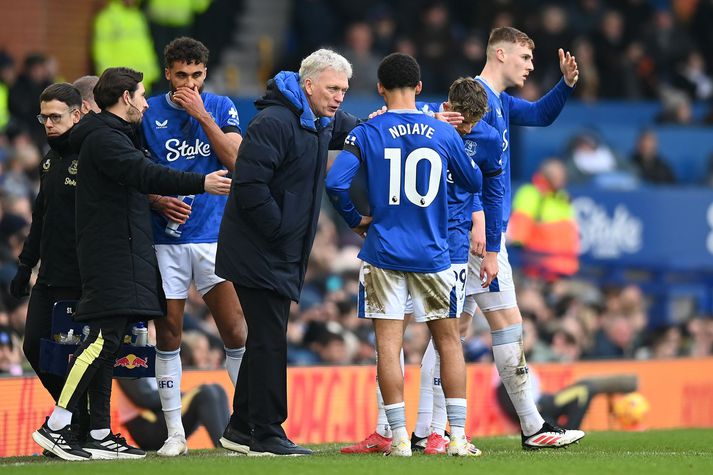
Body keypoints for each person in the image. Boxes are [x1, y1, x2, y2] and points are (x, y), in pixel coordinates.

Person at [31, 66, 232, 461]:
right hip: (110, 256)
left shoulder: (110, 136)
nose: (144, 102)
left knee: (109, 344)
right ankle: (56, 425)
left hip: (121, 252)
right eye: (140, 95)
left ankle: (100, 432)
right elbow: (145, 173)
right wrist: (201, 182)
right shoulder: (105, 139)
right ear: (125, 98)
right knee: (103, 340)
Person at [326, 52, 483, 457]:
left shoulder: (367, 131)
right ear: (418, 87)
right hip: (433, 253)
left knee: (388, 346)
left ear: (379, 87)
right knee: (449, 342)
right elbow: (472, 178)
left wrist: (356, 220)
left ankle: (397, 439)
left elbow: (336, 182)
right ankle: (458, 438)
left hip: (382, 252)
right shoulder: (442, 132)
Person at [215, 48, 359, 456]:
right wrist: (280, 231)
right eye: (332, 88)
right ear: (308, 85)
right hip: (259, 250)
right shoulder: (273, 122)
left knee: (266, 336)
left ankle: (241, 427)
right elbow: (249, 186)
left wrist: (412, 119)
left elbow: (362, 129)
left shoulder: (319, 121)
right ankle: (267, 432)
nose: (339, 97)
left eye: (344, 89)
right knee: (269, 340)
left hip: (280, 252)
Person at [470, 26, 585, 449]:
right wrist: (484, 233)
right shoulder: (475, 101)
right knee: (507, 326)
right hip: (478, 239)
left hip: (475, 236)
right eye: (524, 58)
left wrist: (567, 85)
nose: (530, 66)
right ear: (500, 54)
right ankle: (532, 426)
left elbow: (539, 114)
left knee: (450, 332)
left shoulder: (496, 101)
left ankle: (428, 429)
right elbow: (469, 173)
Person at [141, 36, 246, 457]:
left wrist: (202, 115)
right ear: (168, 73)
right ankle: (174, 434)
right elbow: (130, 169)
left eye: (196, 76)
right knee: (168, 333)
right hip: (163, 240)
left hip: (214, 238)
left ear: (205, 74)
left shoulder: (220, 106)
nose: (189, 83)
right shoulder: (146, 111)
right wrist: (154, 198)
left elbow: (237, 160)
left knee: (236, 331)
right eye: (181, 75)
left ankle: (247, 425)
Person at [10, 83, 91, 440]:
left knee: (83, 355)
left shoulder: (92, 155)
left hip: (84, 274)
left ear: (77, 114)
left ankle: (82, 426)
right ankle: (74, 419)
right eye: (43, 117)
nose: (48, 123)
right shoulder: (50, 159)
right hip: (50, 274)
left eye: (56, 117)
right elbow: (40, 217)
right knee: (33, 347)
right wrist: (25, 266)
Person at [508, 158, 580, 282]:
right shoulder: (530, 193)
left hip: (566, 269)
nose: (562, 178)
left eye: (562, 175)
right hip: (538, 271)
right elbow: (518, 235)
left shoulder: (563, 197)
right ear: (546, 174)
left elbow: (572, 233)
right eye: (556, 174)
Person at [115, 377, 229, 450]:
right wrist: (176, 397)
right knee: (205, 394)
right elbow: (144, 398)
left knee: (217, 389)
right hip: (147, 425)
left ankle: (229, 442)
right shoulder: (128, 359)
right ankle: (222, 448)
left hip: (160, 414)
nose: (155, 337)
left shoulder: (150, 355)